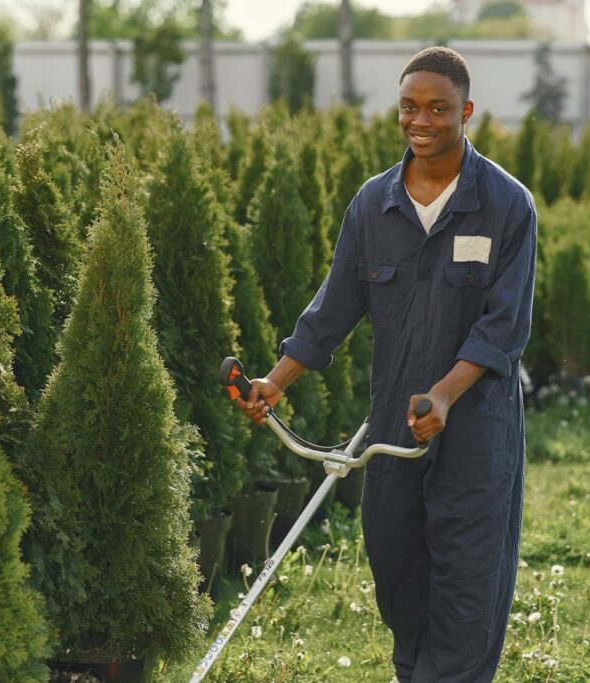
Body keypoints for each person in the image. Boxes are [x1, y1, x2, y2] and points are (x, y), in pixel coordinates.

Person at [236, 46, 536, 682]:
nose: (420, 119)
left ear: (467, 112)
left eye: (437, 108)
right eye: (408, 106)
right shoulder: (374, 205)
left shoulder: (508, 206)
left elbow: (502, 327)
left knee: (466, 588)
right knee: (398, 577)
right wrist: (275, 382)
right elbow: (333, 308)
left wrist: (448, 396)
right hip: (393, 425)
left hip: (474, 428)